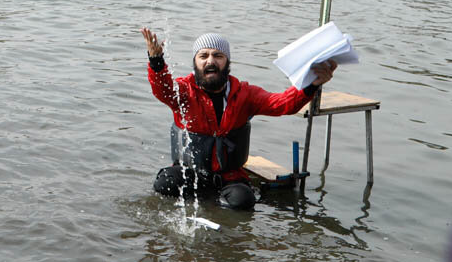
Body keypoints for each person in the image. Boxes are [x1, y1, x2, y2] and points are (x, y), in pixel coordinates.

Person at [141, 28, 337, 210]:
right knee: (165, 183)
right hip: (189, 173)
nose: (210, 61)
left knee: (243, 202)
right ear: (195, 63)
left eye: (218, 56)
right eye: (203, 56)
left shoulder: (245, 94)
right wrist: (156, 61)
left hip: (230, 177)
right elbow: (162, 89)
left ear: (227, 62)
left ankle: (218, 207)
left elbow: (282, 104)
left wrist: (311, 85)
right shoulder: (183, 91)